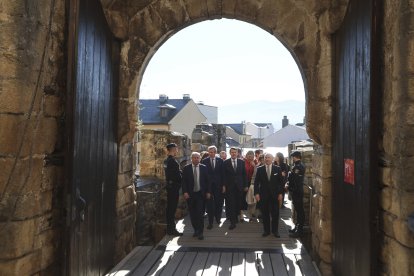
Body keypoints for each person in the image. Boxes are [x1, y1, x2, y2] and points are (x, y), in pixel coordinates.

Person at [254, 153, 285, 238]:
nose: (267, 159)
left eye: (268, 158)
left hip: (275, 195)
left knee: (275, 214)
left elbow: (281, 183)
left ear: (272, 159)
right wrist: (256, 193)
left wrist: (280, 194)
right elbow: (256, 182)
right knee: (265, 214)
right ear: (264, 159)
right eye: (265, 158)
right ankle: (266, 231)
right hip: (263, 195)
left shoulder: (277, 169)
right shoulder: (260, 169)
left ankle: (275, 231)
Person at [182, 152, 211, 240]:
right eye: (194, 158)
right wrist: (185, 192)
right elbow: (184, 182)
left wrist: (208, 192)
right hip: (190, 195)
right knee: (193, 214)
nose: (196, 159)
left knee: (200, 213)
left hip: (200, 194)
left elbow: (208, 181)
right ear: (191, 158)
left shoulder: (204, 168)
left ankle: (201, 232)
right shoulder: (186, 168)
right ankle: (196, 230)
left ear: (200, 159)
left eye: (198, 158)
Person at [223, 147, 248, 230]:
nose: (234, 153)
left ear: (237, 153)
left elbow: (244, 174)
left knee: (238, 203)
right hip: (229, 187)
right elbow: (223, 175)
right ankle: (232, 222)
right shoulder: (226, 162)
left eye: (235, 152)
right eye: (232, 152)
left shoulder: (241, 162)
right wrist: (224, 186)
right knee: (231, 204)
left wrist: (245, 185)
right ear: (230, 153)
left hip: (240, 187)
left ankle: (236, 217)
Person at [201, 146, 224, 229]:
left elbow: (222, 174)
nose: (211, 153)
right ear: (208, 152)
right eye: (210, 152)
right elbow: (203, 175)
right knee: (210, 204)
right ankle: (210, 222)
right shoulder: (204, 161)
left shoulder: (220, 161)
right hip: (208, 186)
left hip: (218, 185)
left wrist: (223, 185)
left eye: (213, 152)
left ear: (215, 152)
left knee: (219, 203)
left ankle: (218, 218)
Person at [163, 143, 183, 236]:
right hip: (173, 187)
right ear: (173, 149)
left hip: (170, 187)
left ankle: (170, 228)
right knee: (172, 209)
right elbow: (176, 175)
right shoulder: (172, 161)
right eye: (176, 149)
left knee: (170, 208)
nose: (177, 150)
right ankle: (171, 229)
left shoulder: (167, 161)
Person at [287, 151, 306, 238]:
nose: (292, 158)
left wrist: (290, 187)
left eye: (293, 157)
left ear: (296, 157)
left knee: (300, 211)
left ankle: (300, 230)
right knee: (298, 211)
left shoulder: (299, 166)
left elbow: (295, 180)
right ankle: (297, 227)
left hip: (297, 191)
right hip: (296, 191)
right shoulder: (297, 166)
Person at [244, 151, 256, 222]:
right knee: (245, 199)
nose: (250, 158)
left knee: (252, 200)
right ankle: (244, 214)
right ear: (246, 156)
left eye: (252, 157)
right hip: (245, 183)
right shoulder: (243, 162)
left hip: (253, 183)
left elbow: (257, 173)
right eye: (249, 156)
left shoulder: (255, 163)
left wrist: (254, 166)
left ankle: (251, 214)